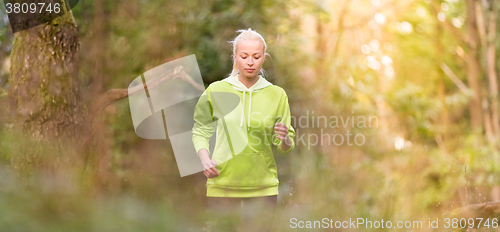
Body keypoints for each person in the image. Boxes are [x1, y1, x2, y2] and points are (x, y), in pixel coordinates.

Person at [192, 28, 295, 232]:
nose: (250, 62)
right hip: (221, 185)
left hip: (263, 188)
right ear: (235, 57)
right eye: (244, 56)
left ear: (264, 58)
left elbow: (285, 146)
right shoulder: (216, 90)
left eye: (256, 57)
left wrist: (285, 139)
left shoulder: (277, 94)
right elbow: (200, 130)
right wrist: (205, 160)